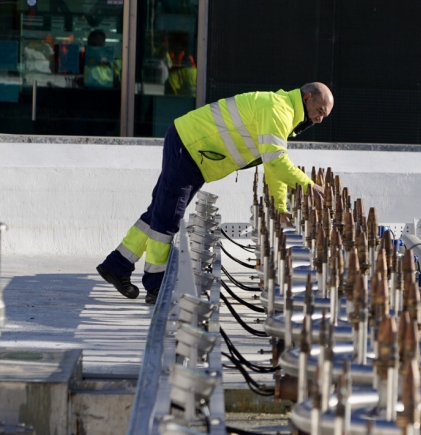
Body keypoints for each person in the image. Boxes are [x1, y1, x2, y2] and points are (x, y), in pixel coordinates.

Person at [96, 82, 333, 303]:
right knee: (167, 218)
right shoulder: (277, 110)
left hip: (192, 149)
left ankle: (117, 265)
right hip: (191, 148)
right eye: (320, 110)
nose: (320, 119)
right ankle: (155, 285)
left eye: (324, 116)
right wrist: (308, 186)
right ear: (307, 97)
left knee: (159, 211)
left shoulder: (283, 112)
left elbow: (272, 167)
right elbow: (276, 161)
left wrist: (281, 207)